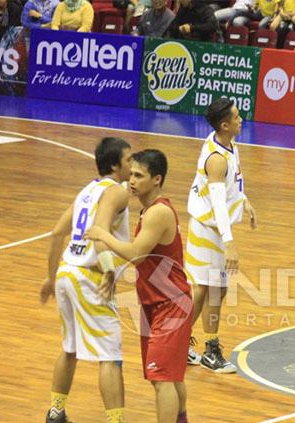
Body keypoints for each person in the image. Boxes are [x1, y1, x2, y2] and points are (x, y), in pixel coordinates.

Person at [85, 150, 192, 423]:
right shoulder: (149, 209)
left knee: (161, 378)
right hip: (154, 302)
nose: (131, 180)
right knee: (169, 374)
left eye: (138, 175)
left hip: (170, 304)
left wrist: (103, 235)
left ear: (156, 179)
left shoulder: (158, 212)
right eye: (131, 174)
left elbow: (136, 254)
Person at [39, 137, 132, 423]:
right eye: (129, 160)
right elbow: (99, 231)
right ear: (116, 165)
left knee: (70, 348)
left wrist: (50, 277)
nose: (133, 164)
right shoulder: (117, 192)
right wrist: (108, 270)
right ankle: (115, 420)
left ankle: (56, 411)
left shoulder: (87, 190)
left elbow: (57, 233)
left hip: (67, 272)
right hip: (89, 275)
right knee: (110, 356)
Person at [186, 98, 257, 373]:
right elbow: (217, 202)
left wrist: (244, 200)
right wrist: (230, 244)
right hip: (208, 231)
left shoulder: (225, 142)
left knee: (214, 289)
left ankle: (182, 342)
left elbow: (231, 185)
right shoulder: (216, 160)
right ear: (225, 125)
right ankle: (208, 349)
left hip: (211, 228)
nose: (242, 120)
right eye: (237, 117)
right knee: (208, 289)